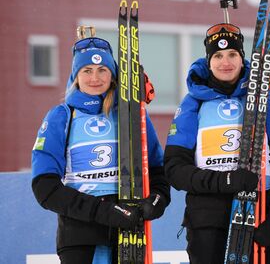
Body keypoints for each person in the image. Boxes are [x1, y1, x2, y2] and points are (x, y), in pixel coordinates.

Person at [164, 23, 270, 263]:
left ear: (242, 57)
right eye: (218, 55)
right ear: (209, 60)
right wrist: (225, 180)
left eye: (232, 54)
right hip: (206, 222)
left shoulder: (265, 99)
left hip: (257, 218)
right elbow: (175, 170)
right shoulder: (193, 103)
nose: (226, 62)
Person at [31, 36, 170, 264]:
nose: (95, 78)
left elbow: (157, 170)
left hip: (128, 230)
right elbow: (45, 187)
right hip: (79, 234)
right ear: (76, 75)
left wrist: (157, 200)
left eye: (102, 70)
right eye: (87, 70)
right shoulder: (62, 116)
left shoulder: (133, 114)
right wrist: (102, 211)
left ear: (112, 74)